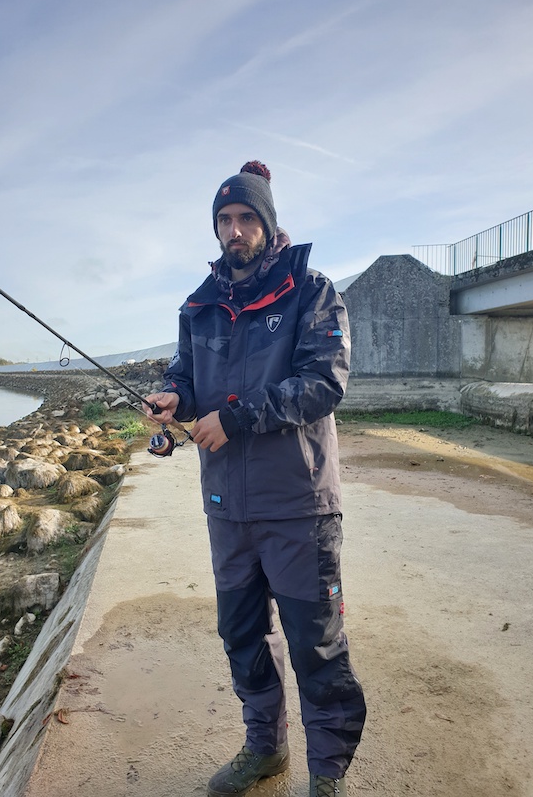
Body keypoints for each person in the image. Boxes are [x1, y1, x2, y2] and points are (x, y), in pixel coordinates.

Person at [145, 161, 366, 797]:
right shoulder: (199, 306)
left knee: (317, 647)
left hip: (297, 504)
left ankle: (327, 777)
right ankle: (264, 748)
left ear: (268, 225)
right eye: (225, 220)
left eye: (247, 219)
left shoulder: (312, 290)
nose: (235, 231)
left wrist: (234, 417)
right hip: (227, 507)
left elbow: (324, 384)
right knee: (242, 635)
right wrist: (171, 400)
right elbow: (184, 378)